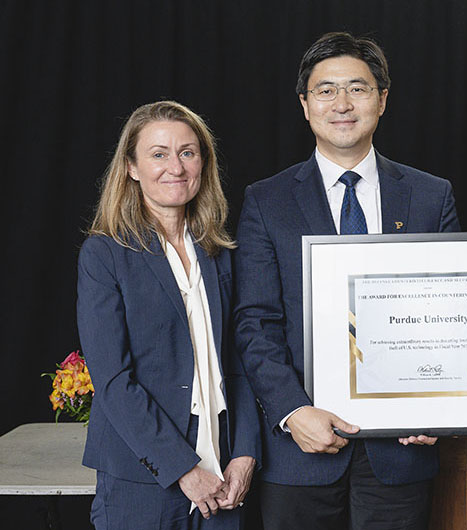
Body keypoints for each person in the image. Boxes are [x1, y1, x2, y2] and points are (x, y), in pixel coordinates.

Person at [234, 32, 460, 529]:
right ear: (305, 104)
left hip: (401, 452)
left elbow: (448, 315)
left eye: (357, 89)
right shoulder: (266, 202)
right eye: (326, 90)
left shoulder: (430, 196)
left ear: (382, 99)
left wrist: (439, 405)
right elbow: (255, 323)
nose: (342, 103)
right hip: (299, 454)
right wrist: (293, 411)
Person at [77, 100, 260, 529]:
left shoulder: (219, 253)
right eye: (158, 154)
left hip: (225, 475)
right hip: (144, 481)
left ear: (203, 163)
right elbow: (113, 381)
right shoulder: (104, 254)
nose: (175, 167)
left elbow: (241, 360)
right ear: (132, 168)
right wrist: (182, 468)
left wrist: (246, 453)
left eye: (187, 152)